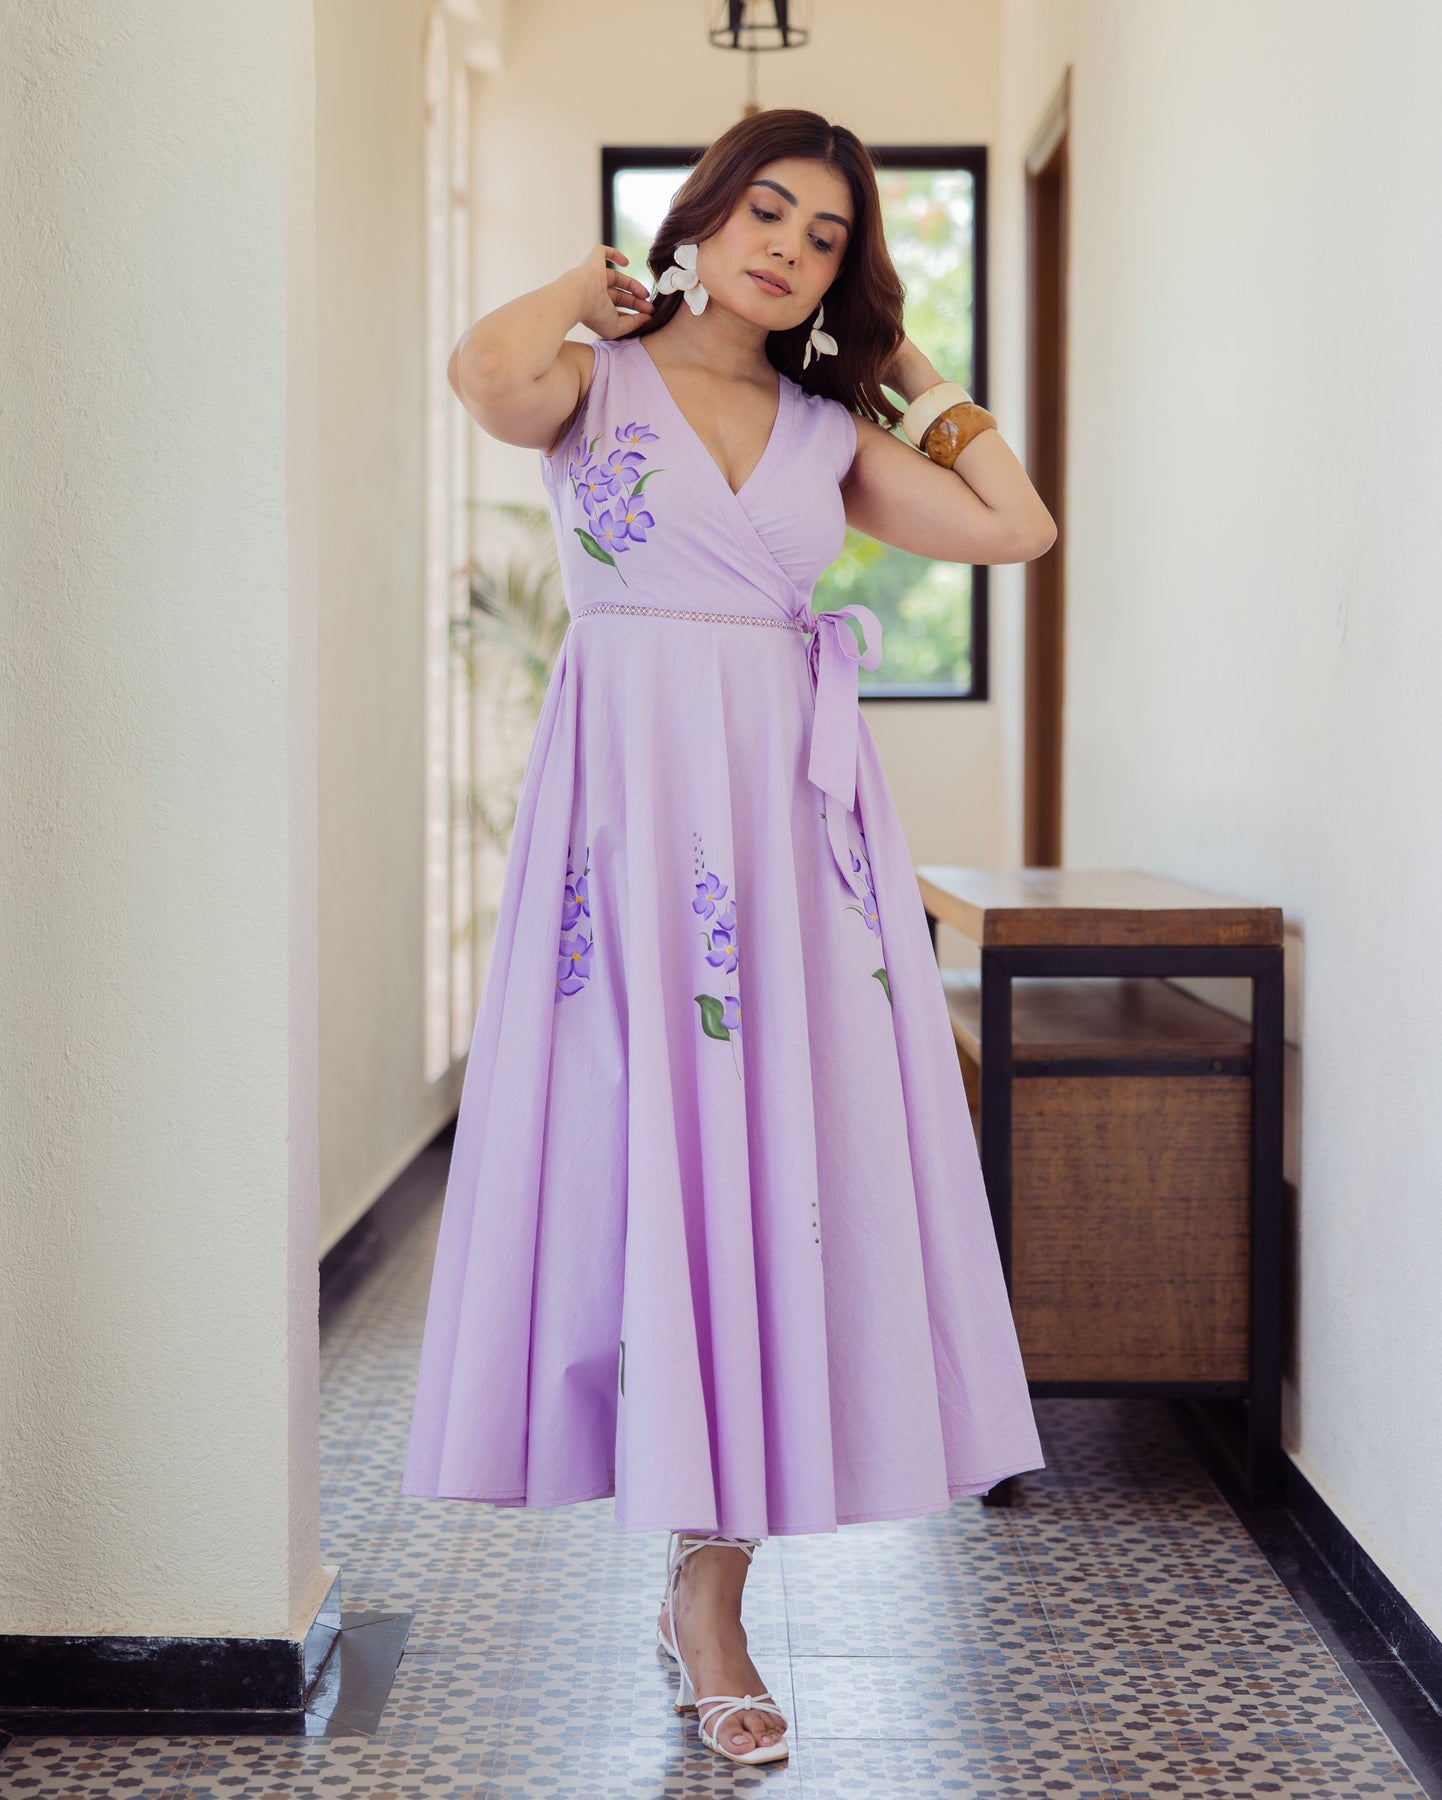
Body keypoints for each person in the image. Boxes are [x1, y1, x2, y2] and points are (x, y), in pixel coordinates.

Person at [401, 108, 1055, 1767]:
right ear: (702, 219)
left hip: (784, 837)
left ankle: (711, 1597)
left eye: (826, 237)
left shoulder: (827, 429)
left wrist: (909, 368)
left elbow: (1013, 527)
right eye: (765, 210)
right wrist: (589, 286)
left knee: (770, 1173)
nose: (787, 249)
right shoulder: (589, 382)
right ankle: (664, 1530)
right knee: (642, 1163)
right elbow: (483, 373)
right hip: (626, 821)